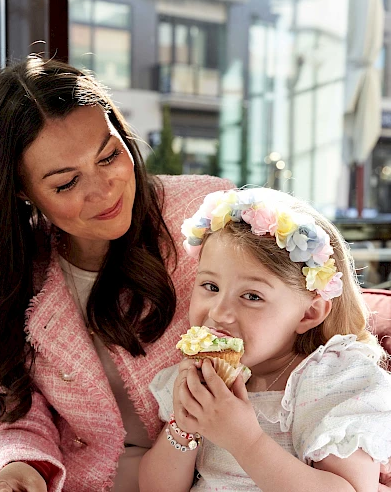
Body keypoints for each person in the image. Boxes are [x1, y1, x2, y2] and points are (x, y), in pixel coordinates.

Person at [0, 55, 234, 492]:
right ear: (20, 190)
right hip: (86, 480)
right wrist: (18, 468)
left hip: (224, 472)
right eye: (66, 183)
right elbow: (12, 415)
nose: (104, 190)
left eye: (109, 156)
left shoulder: (208, 214)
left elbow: (302, 320)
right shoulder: (5, 270)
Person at [140, 188, 391, 491]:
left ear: (308, 314)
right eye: (210, 285)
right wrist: (183, 426)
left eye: (251, 296)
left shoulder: (335, 381)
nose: (219, 313)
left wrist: (246, 441)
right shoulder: (194, 378)